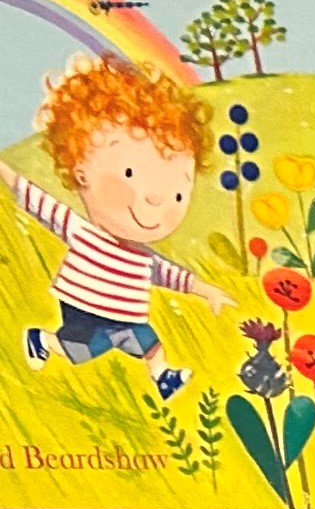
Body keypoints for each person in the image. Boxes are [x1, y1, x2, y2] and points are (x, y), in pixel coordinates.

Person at [13, 55, 209, 375]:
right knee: (82, 350)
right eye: (130, 173)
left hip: (124, 313)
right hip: (85, 307)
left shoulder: (142, 257)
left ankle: (163, 376)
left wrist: (206, 290)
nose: (156, 199)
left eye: (177, 193)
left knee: (150, 343)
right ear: (80, 171)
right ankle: (43, 340)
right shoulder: (83, 233)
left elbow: (168, 274)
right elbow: (39, 203)